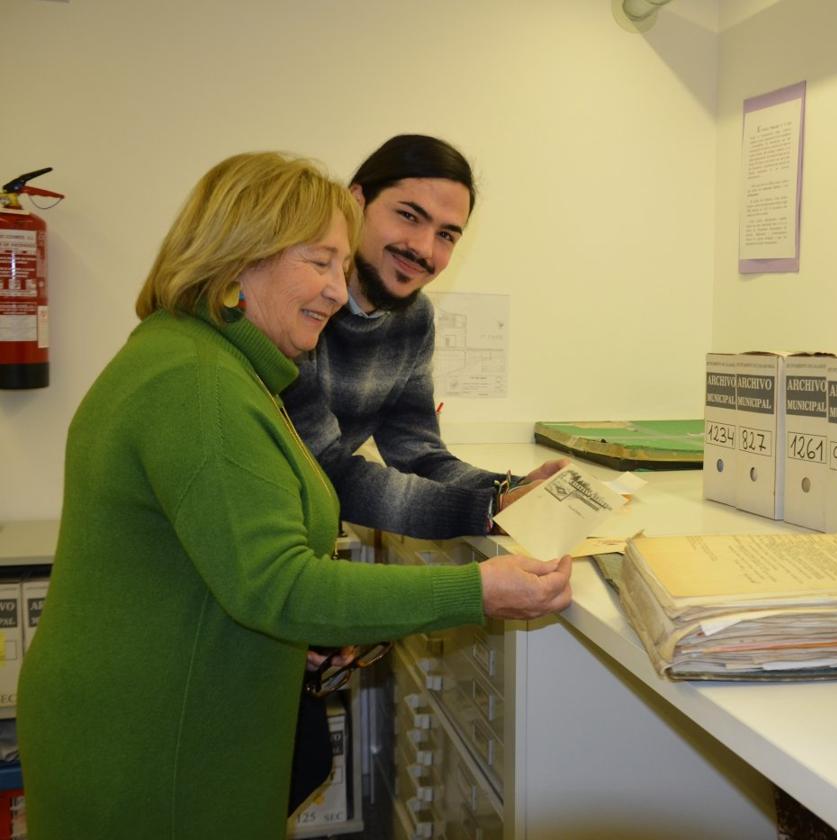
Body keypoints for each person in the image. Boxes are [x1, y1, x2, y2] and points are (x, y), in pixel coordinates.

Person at [16, 151, 572, 840]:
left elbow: (231, 564)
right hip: (154, 749)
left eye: (341, 269)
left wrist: (302, 638)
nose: (338, 292)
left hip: (172, 717)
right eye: (319, 263)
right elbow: (280, 585)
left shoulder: (219, 364)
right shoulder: (197, 384)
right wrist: (478, 589)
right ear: (238, 259)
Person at [281, 134, 566, 539]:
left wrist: (515, 489)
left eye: (447, 235)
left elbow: (418, 453)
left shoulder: (412, 318)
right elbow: (323, 469)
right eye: (410, 216)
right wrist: (489, 509)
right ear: (356, 201)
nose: (423, 249)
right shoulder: (298, 306)